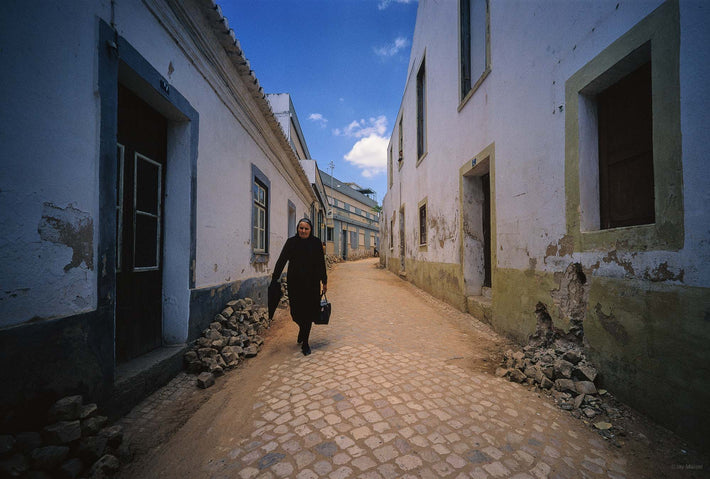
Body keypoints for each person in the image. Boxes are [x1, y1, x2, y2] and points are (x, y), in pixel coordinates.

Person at [271, 218, 327, 356]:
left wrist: (324, 281)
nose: (303, 231)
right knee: (295, 313)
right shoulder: (291, 242)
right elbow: (282, 259)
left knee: (308, 312)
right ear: (297, 229)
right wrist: (274, 277)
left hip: (312, 284)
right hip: (295, 283)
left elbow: (321, 263)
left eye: (306, 228)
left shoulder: (315, 243)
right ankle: (302, 329)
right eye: (301, 228)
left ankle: (306, 343)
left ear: (310, 230)